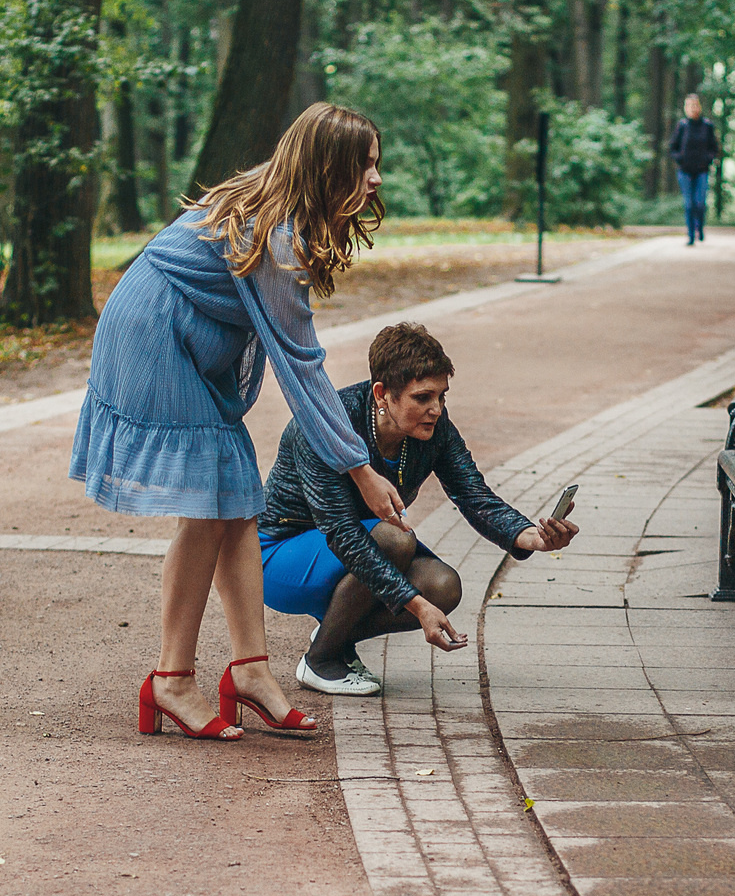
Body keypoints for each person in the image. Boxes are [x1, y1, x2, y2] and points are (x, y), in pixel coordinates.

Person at [73, 102, 406, 741]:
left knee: (238, 503)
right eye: (365, 165)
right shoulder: (276, 233)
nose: (376, 179)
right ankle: (170, 680)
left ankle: (250, 670)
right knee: (207, 506)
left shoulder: (284, 211)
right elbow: (301, 366)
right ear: (327, 167)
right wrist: (359, 468)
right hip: (154, 336)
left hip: (182, 332)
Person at [258, 322, 579, 696]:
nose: (435, 409)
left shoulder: (435, 430)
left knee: (443, 587)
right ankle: (321, 661)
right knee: (397, 541)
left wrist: (532, 537)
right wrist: (415, 606)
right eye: (422, 398)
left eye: (442, 396)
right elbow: (342, 532)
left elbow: (474, 494)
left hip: (355, 553)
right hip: (279, 553)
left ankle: (331, 635)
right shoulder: (326, 424)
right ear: (382, 394)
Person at [667, 93, 720, 245]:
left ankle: (700, 228)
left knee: (700, 203)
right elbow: (672, 147)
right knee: (689, 204)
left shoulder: (707, 126)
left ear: (699, 107)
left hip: (702, 170)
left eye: (695, 105)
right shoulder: (682, 126)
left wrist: (708, 159)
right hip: (685, 171)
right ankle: (690, 236)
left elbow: (714, 148)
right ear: (685, 108)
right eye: (689, 106)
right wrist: (679, 158)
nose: (692, 108)